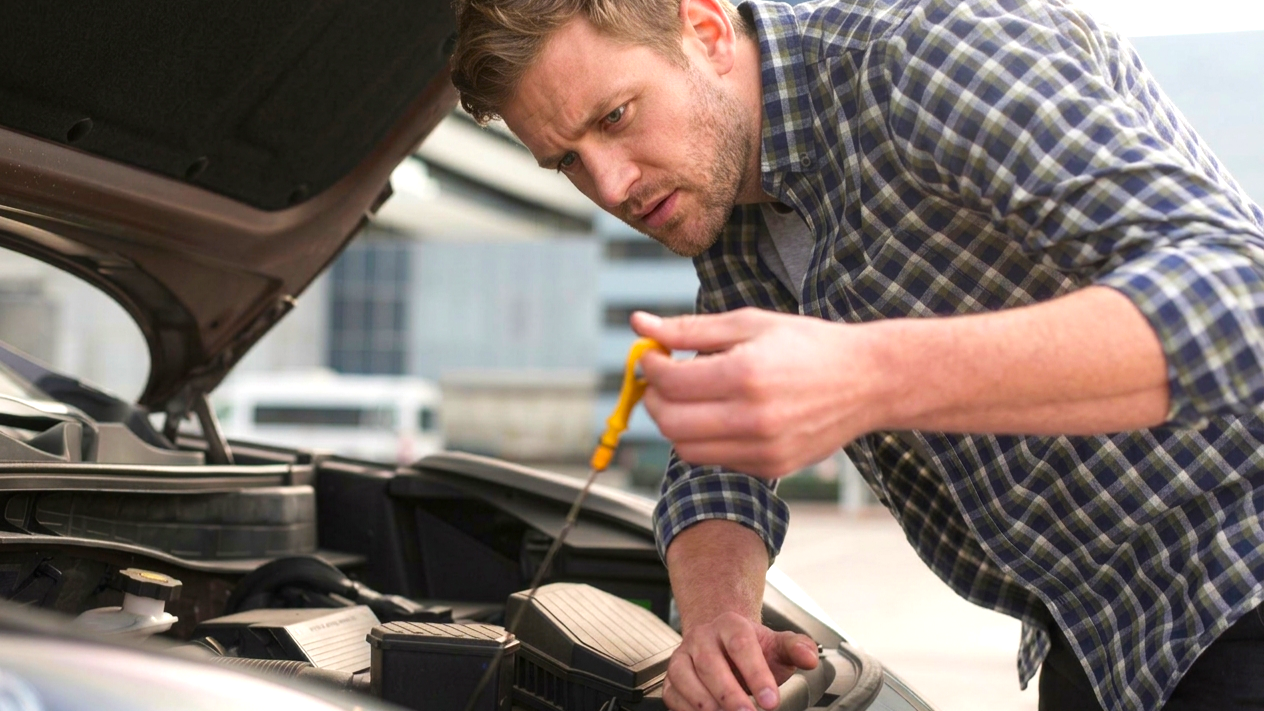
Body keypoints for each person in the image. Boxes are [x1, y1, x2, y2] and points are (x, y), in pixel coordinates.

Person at [448, 0, 1264, 709]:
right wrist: (717, 620)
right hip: (1103, 639)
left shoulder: (933, 52)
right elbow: (718, 463)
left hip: (1237, 581)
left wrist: (870, 375)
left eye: (617, 116)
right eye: (568, 162)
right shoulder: (728, 195)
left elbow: (1239, 301)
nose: (613, 183)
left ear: (704, 30)